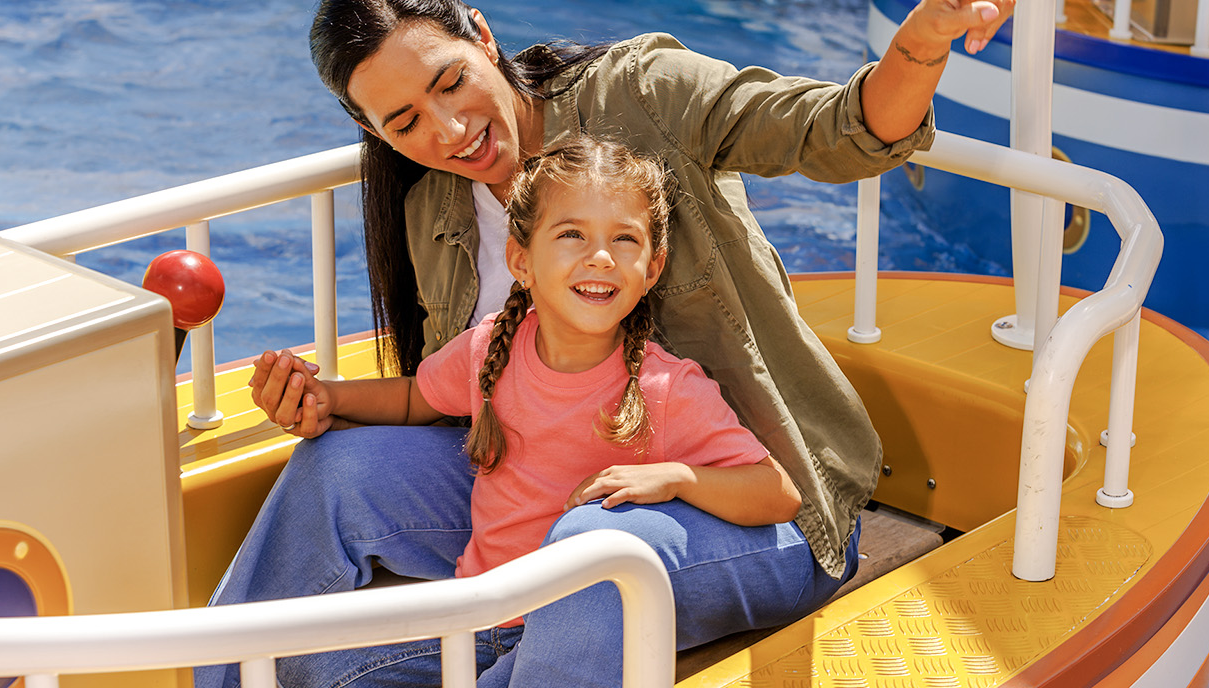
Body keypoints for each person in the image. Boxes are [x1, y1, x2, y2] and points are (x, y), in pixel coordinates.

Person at [209, 0, 1019, 686]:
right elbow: (456, 395)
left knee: (591, 550)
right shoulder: (431, 212)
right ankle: (225, 676)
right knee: (334, 471)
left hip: (745, 509)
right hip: (544, 506)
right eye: (407, 120)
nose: (451, 128)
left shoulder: (641, 95)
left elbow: (836, 130)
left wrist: (923, 41)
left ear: (483, 37)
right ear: (373, 132)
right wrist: (323, 404)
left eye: (452, 80)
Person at [230, 135, 801, 687]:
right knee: (309, 672)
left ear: (652, 269)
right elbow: (414, 398)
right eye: (572, 234)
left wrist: (678, 478)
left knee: (587, 550)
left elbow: (777, 493)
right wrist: (330, 397)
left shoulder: (664, 387)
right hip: (480, 619)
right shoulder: (489, 353)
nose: (601, 256)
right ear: (520, 260)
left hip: (570, 627)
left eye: (625, 240)